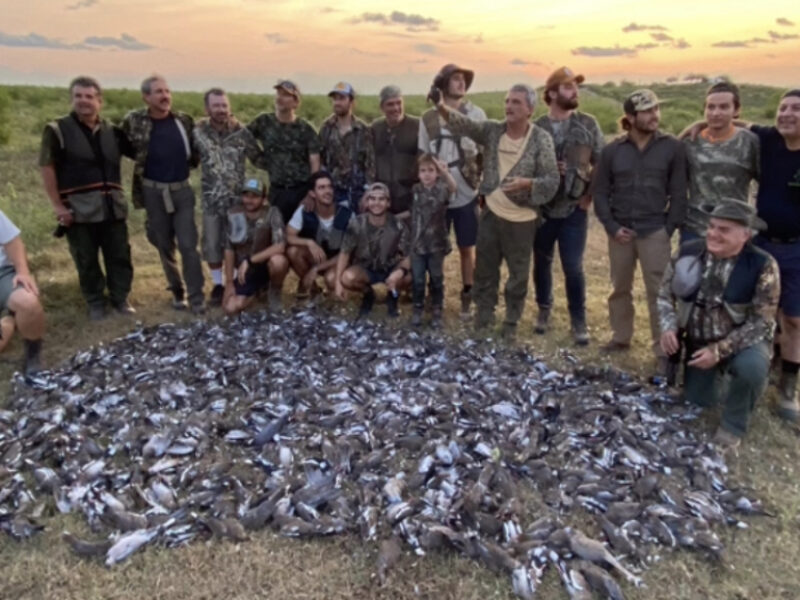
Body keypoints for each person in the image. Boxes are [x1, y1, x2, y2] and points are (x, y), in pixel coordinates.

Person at [683, 89, 800, 422]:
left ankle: (786, 386)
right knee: (723, 300)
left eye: (797, 109)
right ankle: (716, 363)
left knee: (791, 318)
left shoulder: (760, 144)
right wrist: (696, 122)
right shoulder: (769, 139)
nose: (788, 114)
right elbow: (736, 123)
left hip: (792, 246)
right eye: (784, 107)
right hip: (761, 239)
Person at [432, 84, 559, 339]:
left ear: (530, 109)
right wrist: (440, 107)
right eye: (507, 101)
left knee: (518, 276)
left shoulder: (540, 139)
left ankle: (511, 322)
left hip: (523, 220)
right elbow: (466, 126)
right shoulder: (493, 131)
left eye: (516, 103)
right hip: (491, 214)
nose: (509, 107)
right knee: (485, 270)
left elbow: (552, 179)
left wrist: (529, 184)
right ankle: (484, 317)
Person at [657, 199, 779, 448]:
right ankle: (715, 381)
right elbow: (663, 295)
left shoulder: (763, 265)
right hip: (698, 341)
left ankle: (733, 423)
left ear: (745, 235)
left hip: (742, 343)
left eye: (724, 230)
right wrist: (668, 326)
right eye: (711, 226)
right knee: (698, 401)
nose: (713, 233)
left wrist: (719, 350)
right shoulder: (687, 252)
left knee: (751, 368)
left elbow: (761, 323)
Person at [593, 89, 687, 371]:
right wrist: (611, 226)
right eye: (647, 111)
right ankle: (621, 337)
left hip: (654, 230)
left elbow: (679, 192)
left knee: (659, 292)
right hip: (620, 231)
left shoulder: (672, 148)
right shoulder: (612, 151)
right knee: (619, 287)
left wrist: (667, 228)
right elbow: (599, 193)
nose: (654, 115)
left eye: (656, 109)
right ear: (631, 117)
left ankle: (662, 349)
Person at [39, 75, 134, 321]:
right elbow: (47, 168)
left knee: (119, 254)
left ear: (99, 101)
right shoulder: (57, 130)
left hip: (112, 205)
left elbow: (141, 153)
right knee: (86, 257)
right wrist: (58, 206)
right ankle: (95, 302)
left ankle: (120, 298)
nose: (84, 101)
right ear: (71, 99)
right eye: (78, 96)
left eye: (89, 96)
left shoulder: (113, 131)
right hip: (78, 208)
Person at [120, 74, 205, 313]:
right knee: (164, 244)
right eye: (158, 92)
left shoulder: (183, 121)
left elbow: (195, 154)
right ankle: (177, 291)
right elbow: (125, 148)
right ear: (146, 97)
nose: (165, 96)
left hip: (182, 190)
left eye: (167, 91)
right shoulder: (134, 121)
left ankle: (196, 297)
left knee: (188, 244)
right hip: (153, 191)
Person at [533, 67, 604, 345]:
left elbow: (601, 162)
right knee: (541, 262)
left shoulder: (588, 124)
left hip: (575, 208)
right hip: (543, 209)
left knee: (573, 266)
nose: (575, 91)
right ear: (551, 93)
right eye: (567, 87)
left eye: (576, 86)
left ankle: (578, 320)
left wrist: (588, 197)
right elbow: (525, 163)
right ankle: (543, 310)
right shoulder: (537, 128)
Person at [419, 64, 485, 318]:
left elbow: (484, 152)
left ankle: (468, 294)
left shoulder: (476, 114)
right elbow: (422, 153)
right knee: (435, 247)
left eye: (463, 80)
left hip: (467, 189)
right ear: (443, 84)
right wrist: (431, 171)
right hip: (437, 193)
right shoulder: (428, 118)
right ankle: (434, 293)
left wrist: (484, 187)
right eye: (455, 79)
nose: (461, 83)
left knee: (468, 246)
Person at [192, 87, 264, 307]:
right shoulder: (198, 131)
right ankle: (217, 285)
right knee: (212, 243)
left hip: (236, 202)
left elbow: (259, 159)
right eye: (216, 106)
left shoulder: (241, 132)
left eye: (224, 105)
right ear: (207, 108)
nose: (221, 110)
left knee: (236, 242)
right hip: (211, 200)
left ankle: (235, 281)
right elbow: (189, 159)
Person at [682, 82, 759, 243]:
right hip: (695, 229)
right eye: (710, 107)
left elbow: (767, 184)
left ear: (736, 110)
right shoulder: (690, 142)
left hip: (735, 231)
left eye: (724, 107)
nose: (716, 113)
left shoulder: (750, 142)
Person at [247, 80, 321, 223]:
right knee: (277, 234)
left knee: (300, 234)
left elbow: (315, 163)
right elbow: (242, 138)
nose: (280, 98)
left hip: (301, 191)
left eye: (286, 95)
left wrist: (311, 194)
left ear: (296, 102)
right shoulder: (264, 122)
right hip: (277, 191)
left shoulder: (305, 129)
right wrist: (260, 160)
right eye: (279, 94)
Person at [335, 182, 411, 317]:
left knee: (412, 276)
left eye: (381, 199)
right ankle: (368, 294)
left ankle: (392, 294)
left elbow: (409, 255)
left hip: (390, 268)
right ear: (367, 202)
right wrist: (337, 283)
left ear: (388, 203)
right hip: (366, 269)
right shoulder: (356, 224)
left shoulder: (398, 225)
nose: (377, 203)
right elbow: (344, 252)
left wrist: (399, 272)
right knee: (347, 278)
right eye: (372, 198)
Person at [223, 179, 288, 315]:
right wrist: (229, 282)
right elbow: (229, 249)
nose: (249, 200)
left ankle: (274, 292)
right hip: (244, 272)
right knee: (231, 308)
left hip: (265, 265)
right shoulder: (233, 214)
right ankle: (256, 294)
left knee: (279, 261)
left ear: (264, 199)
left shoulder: (272, 213)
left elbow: (280, 246)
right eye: (246, 196)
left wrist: (250, 260)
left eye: (255, 196)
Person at [286, 171, 354, 298]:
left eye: (329, 187)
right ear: (312, 193)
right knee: (293, 251)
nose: (327, 191)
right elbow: (288, 236)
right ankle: (313, 290)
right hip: (317, 256)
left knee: (331, 279)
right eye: (321, 188)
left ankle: (332, 308)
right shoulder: (305, 211)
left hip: (337, 260)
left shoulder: (347, 214)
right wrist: (308, 242)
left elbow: (348, 252)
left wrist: (316, 269)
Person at [409, 154, 457, 328]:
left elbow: (453, 187)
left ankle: (437, 308)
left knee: (436, 277)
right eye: (423, 171)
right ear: (418, 174)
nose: (427, 174)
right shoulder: (415, 190)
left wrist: (445, 172)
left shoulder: (442, 188)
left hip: (436, 243)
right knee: (418, 278)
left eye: (431, 170)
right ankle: (417, 308)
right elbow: (412, 213)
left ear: (437, 173)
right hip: (416, 244)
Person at [0, 209, 45, 377]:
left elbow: (12, 241)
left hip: (1, 273)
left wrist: (23, 272)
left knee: (28, 302)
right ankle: (9, 319)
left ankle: (33, 356)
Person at [318, 82, 373, 209]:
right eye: (335, 99)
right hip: (332, 193)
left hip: (358, 193)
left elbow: (370, 164)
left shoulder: (363, 129)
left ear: (351, 102)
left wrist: (368, 193)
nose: (337, 103)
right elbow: (320, 161)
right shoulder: (326, 128)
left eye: (342, 98)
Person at [370, 86, 420, 217]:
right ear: (382, 108)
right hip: (382, 199)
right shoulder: (375, 128)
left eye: (399, 103)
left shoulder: (418, 126)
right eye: (390, 104)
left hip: (410, 197)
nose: (396, 108)